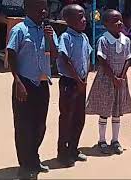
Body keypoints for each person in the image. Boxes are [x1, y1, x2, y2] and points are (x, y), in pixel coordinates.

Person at [6, 0, 58, 176]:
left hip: (42, 83)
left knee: (40, 124)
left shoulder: (48, 30)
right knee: (23, 125)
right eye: (38, 7)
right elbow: (11, 55)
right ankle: (25, 164)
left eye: (45, 7)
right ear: (27, 8)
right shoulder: (19, 30)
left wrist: (50, 38)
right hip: (24, 83)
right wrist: (17, 82)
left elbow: (55, 55)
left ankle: (34, 157)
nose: (43, 11)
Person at [85, 9, 131, 154]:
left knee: (116, 111)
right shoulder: (103, 40)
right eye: (114, 21)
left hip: (120, 80)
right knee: (104, 110)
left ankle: (115, 140)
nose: (119, 23)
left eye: (120, 19)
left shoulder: (126, 40)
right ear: (106, 24)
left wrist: (121, 77)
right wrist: (114, 78)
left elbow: (128, 59)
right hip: (106, 81)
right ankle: (102, 140)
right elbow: (102, 60)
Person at [56, 4, 92, 167]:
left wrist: (85, 77)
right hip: (70, 82)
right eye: (79, 17)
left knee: (79, 118)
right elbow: (65, 59)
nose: (84, 20)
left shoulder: (84, 37)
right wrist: (78, 80)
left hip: (81, 82)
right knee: (67, 118)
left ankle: (73, 149)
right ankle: (62, 154)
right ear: (68, 20)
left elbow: (87, 56)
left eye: (84, 16)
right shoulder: (65, 37)